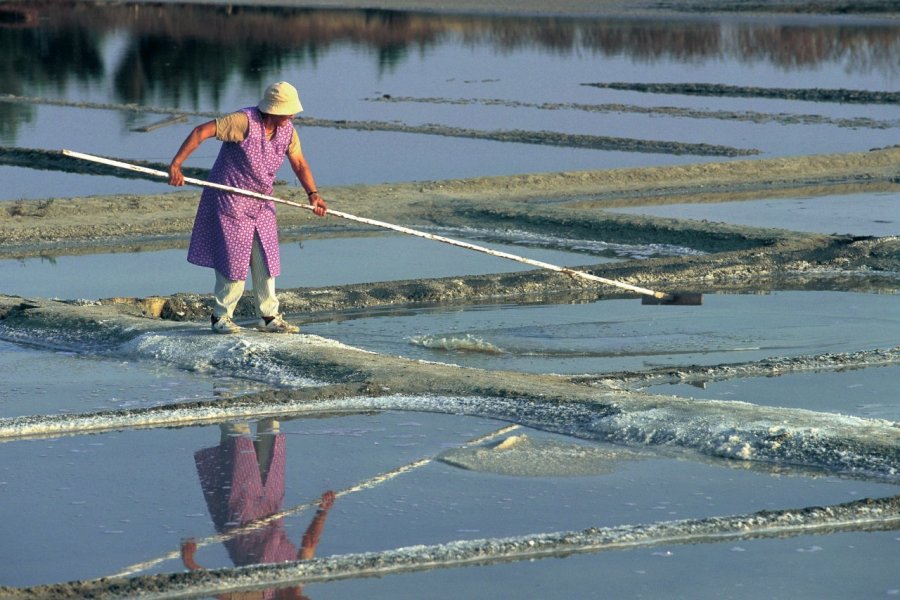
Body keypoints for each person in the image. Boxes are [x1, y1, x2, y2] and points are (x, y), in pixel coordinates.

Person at [168, 81, 327, 334]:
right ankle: (221, 317)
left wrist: (313, 195)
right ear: (273, 110)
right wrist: (177, 165)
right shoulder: (243, 121)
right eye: (288, 111)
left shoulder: (288, 131)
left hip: (262, 201)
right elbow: (201, 131)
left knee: (266, 258)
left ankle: (268, 317)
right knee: (234, 260)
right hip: (231, 198)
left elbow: (299, 163)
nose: (293, 115)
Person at [183, 418, 336, 600]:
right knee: (271, 434)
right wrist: (322, 511)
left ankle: (224, 392)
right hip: (272, 506)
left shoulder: (261, 594)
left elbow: (224, 593)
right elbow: (310, 541)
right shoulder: (299, 575)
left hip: (240, 513)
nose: (304, 597)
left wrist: (190, 563)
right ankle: (267, 391)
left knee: (239, 439)